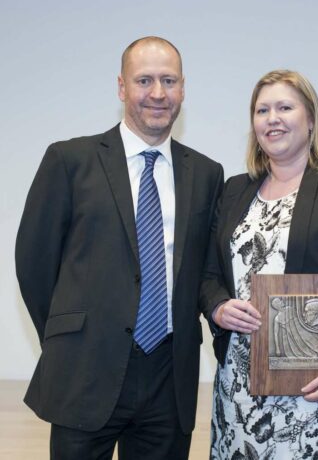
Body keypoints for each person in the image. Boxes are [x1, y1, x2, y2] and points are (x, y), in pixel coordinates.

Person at [15, 36, 224, 459]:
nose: (158, 93)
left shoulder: (206, 173)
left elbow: (205, 269)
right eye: (144, 80)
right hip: (85, 372)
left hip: (169, 378)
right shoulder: (69, 160)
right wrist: (69, 336)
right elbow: (34, 264)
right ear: (121, 87)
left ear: (183, 88)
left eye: (169, 80)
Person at [201, 69, 318, 459]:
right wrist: (219, 307)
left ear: (310, 120)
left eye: (285, 107)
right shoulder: (235, 190)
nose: (272, 118)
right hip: (238, 391)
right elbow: (207, 274)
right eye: (262, 110)